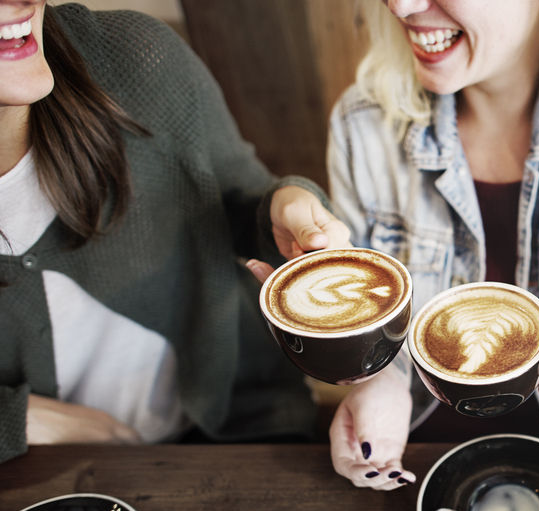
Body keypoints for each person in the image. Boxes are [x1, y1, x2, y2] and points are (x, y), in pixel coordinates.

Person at [262, 0, 539, 489]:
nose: (402, 5)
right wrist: (381, 385)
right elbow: (374, 329)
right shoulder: (363, 123)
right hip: (419, 450)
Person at [0, 1, 340, 462]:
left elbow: (238, 198)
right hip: (42, 481)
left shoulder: (134, 56)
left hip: (245, 436)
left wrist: (283, 205)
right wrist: (18, 419)